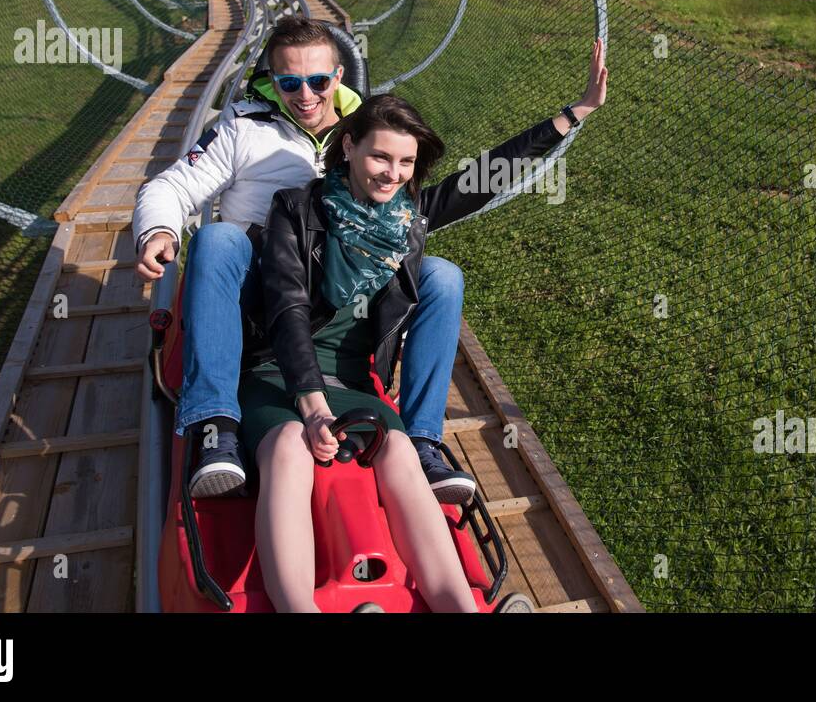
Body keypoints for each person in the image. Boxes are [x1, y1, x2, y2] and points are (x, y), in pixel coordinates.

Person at [245, 40, 608, 612]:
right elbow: (288, 307)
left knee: (398, 452)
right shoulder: (298, 209)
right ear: (349, 148)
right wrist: (312, 406)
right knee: (291, 445)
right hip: (280, 375)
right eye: (380, 157)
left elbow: (484, 176)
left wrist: (574, 113)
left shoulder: (407, 220)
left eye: (406, 162)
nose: (393, 173)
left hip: (356, 385)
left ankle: (457, 606)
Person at [133, 17, 476, 503]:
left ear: (338, 77)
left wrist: (568, 118)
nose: (306, 95)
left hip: (342, 291)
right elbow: (172, 185)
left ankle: (424, 439)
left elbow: (451, 194)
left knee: (441, 274)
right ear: (272, 82)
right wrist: (160, 230)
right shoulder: (243, 129)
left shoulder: (368, 132)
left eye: (318, 81)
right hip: (264, 290)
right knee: (218, 241)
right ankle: (214, 421)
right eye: (290, 83)